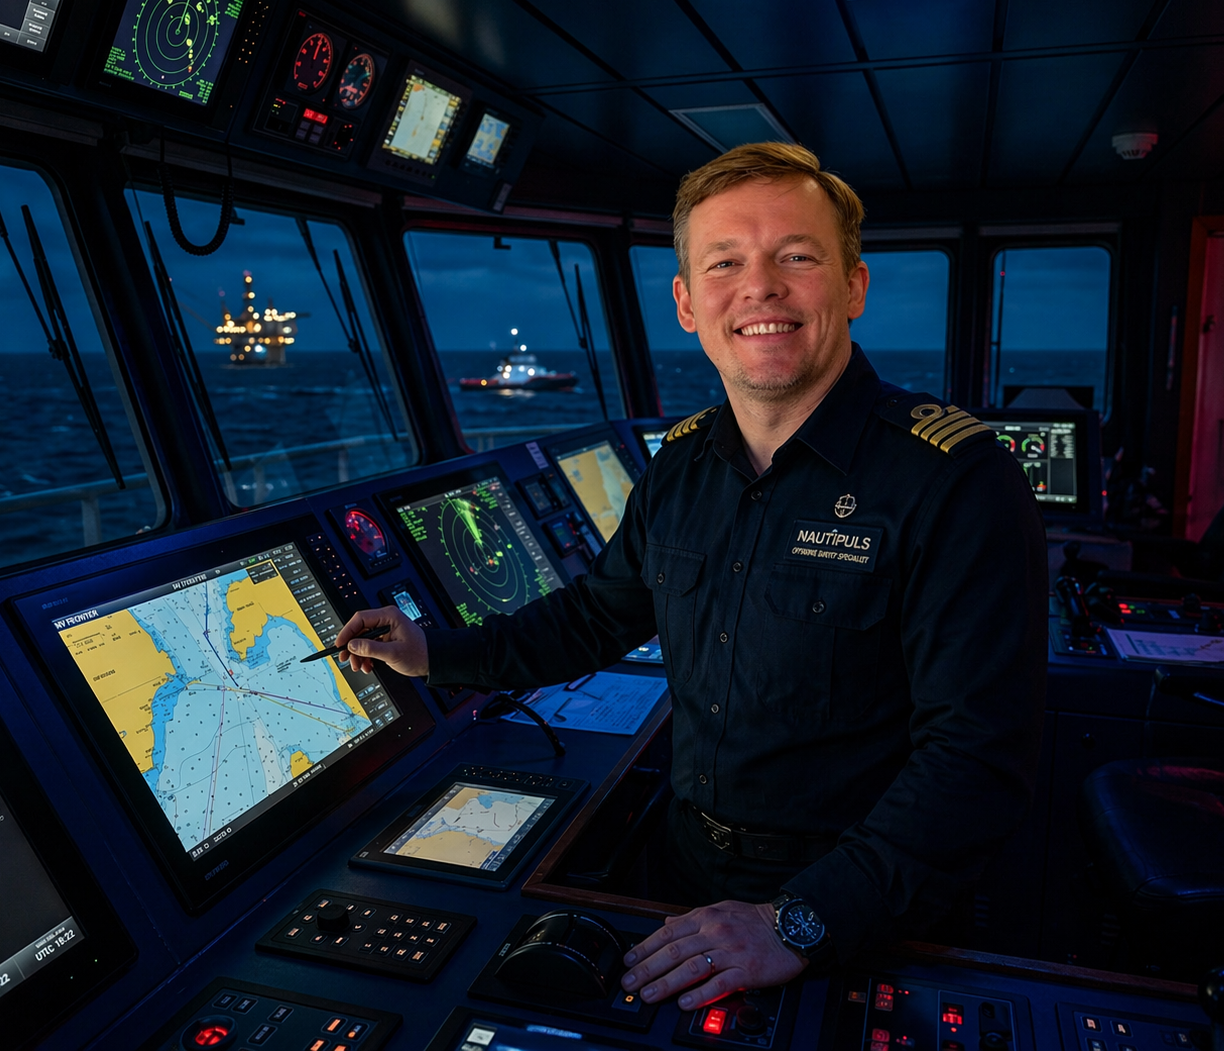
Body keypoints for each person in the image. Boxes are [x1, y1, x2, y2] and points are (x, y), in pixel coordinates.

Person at [336, 142, 1046, 1010]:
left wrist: (798, 920)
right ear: (686, 302)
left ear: (852, 285)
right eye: (725, 263)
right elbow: (594, 617)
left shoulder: (955, 478)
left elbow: (977, 759)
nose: (761, 288)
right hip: (682, 872)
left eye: (796, 255)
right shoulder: (679, 465)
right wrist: (432, 653)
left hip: (854, 906)